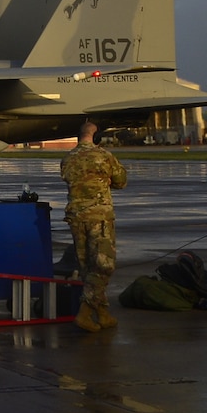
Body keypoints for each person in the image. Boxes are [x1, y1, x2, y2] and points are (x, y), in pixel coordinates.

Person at [60, 117, 128, 332]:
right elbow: (121, 181)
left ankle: (103, 313)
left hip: (76, 217)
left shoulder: (68, 158)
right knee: (103, 266)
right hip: (99, 217)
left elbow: (69, 180)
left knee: (87, 267)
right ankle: (85, 312)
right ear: (97, 136)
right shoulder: (104, 156)